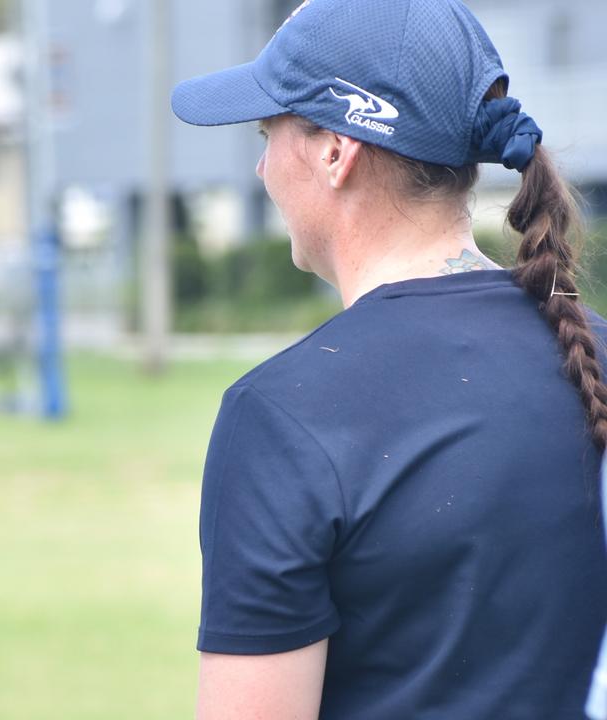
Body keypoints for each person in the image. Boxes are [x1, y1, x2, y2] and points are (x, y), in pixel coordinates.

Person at [169, 0, 607, 717]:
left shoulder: (282, 417)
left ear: (335, 153)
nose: (259, 164)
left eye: (266, 131)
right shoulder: (590, 349)